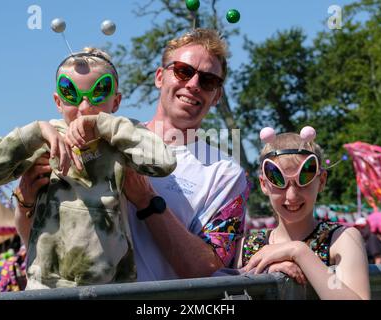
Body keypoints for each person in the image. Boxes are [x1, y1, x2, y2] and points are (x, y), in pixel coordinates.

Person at [15, 29, 249, 282]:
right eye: (183, 71)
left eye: (208, 81)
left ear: (217, 95)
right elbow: (42, 242)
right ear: (160, 77)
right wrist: (25, 202)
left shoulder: (225, 174)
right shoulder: (98, 138)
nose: (193, 85)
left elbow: (207, 270)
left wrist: (147, 200)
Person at [0, 47, 176, 289]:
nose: (85, 106)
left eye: (99, 93)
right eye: (71, 94)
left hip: (110, 289)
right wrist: (34, 132)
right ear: (58, 101)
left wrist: (105, 126)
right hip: (46, 290)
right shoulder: (45, 141)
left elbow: (164, 162)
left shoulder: (120, 139)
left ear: (116, 101)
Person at [227, 127, 370, 300]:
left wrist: (299, 251)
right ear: (264, 184)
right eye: (279, 181)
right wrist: (266, 273)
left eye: (304, 180)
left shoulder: (341, 239)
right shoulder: (246, 246)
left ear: (322, 181)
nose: (292, 195)